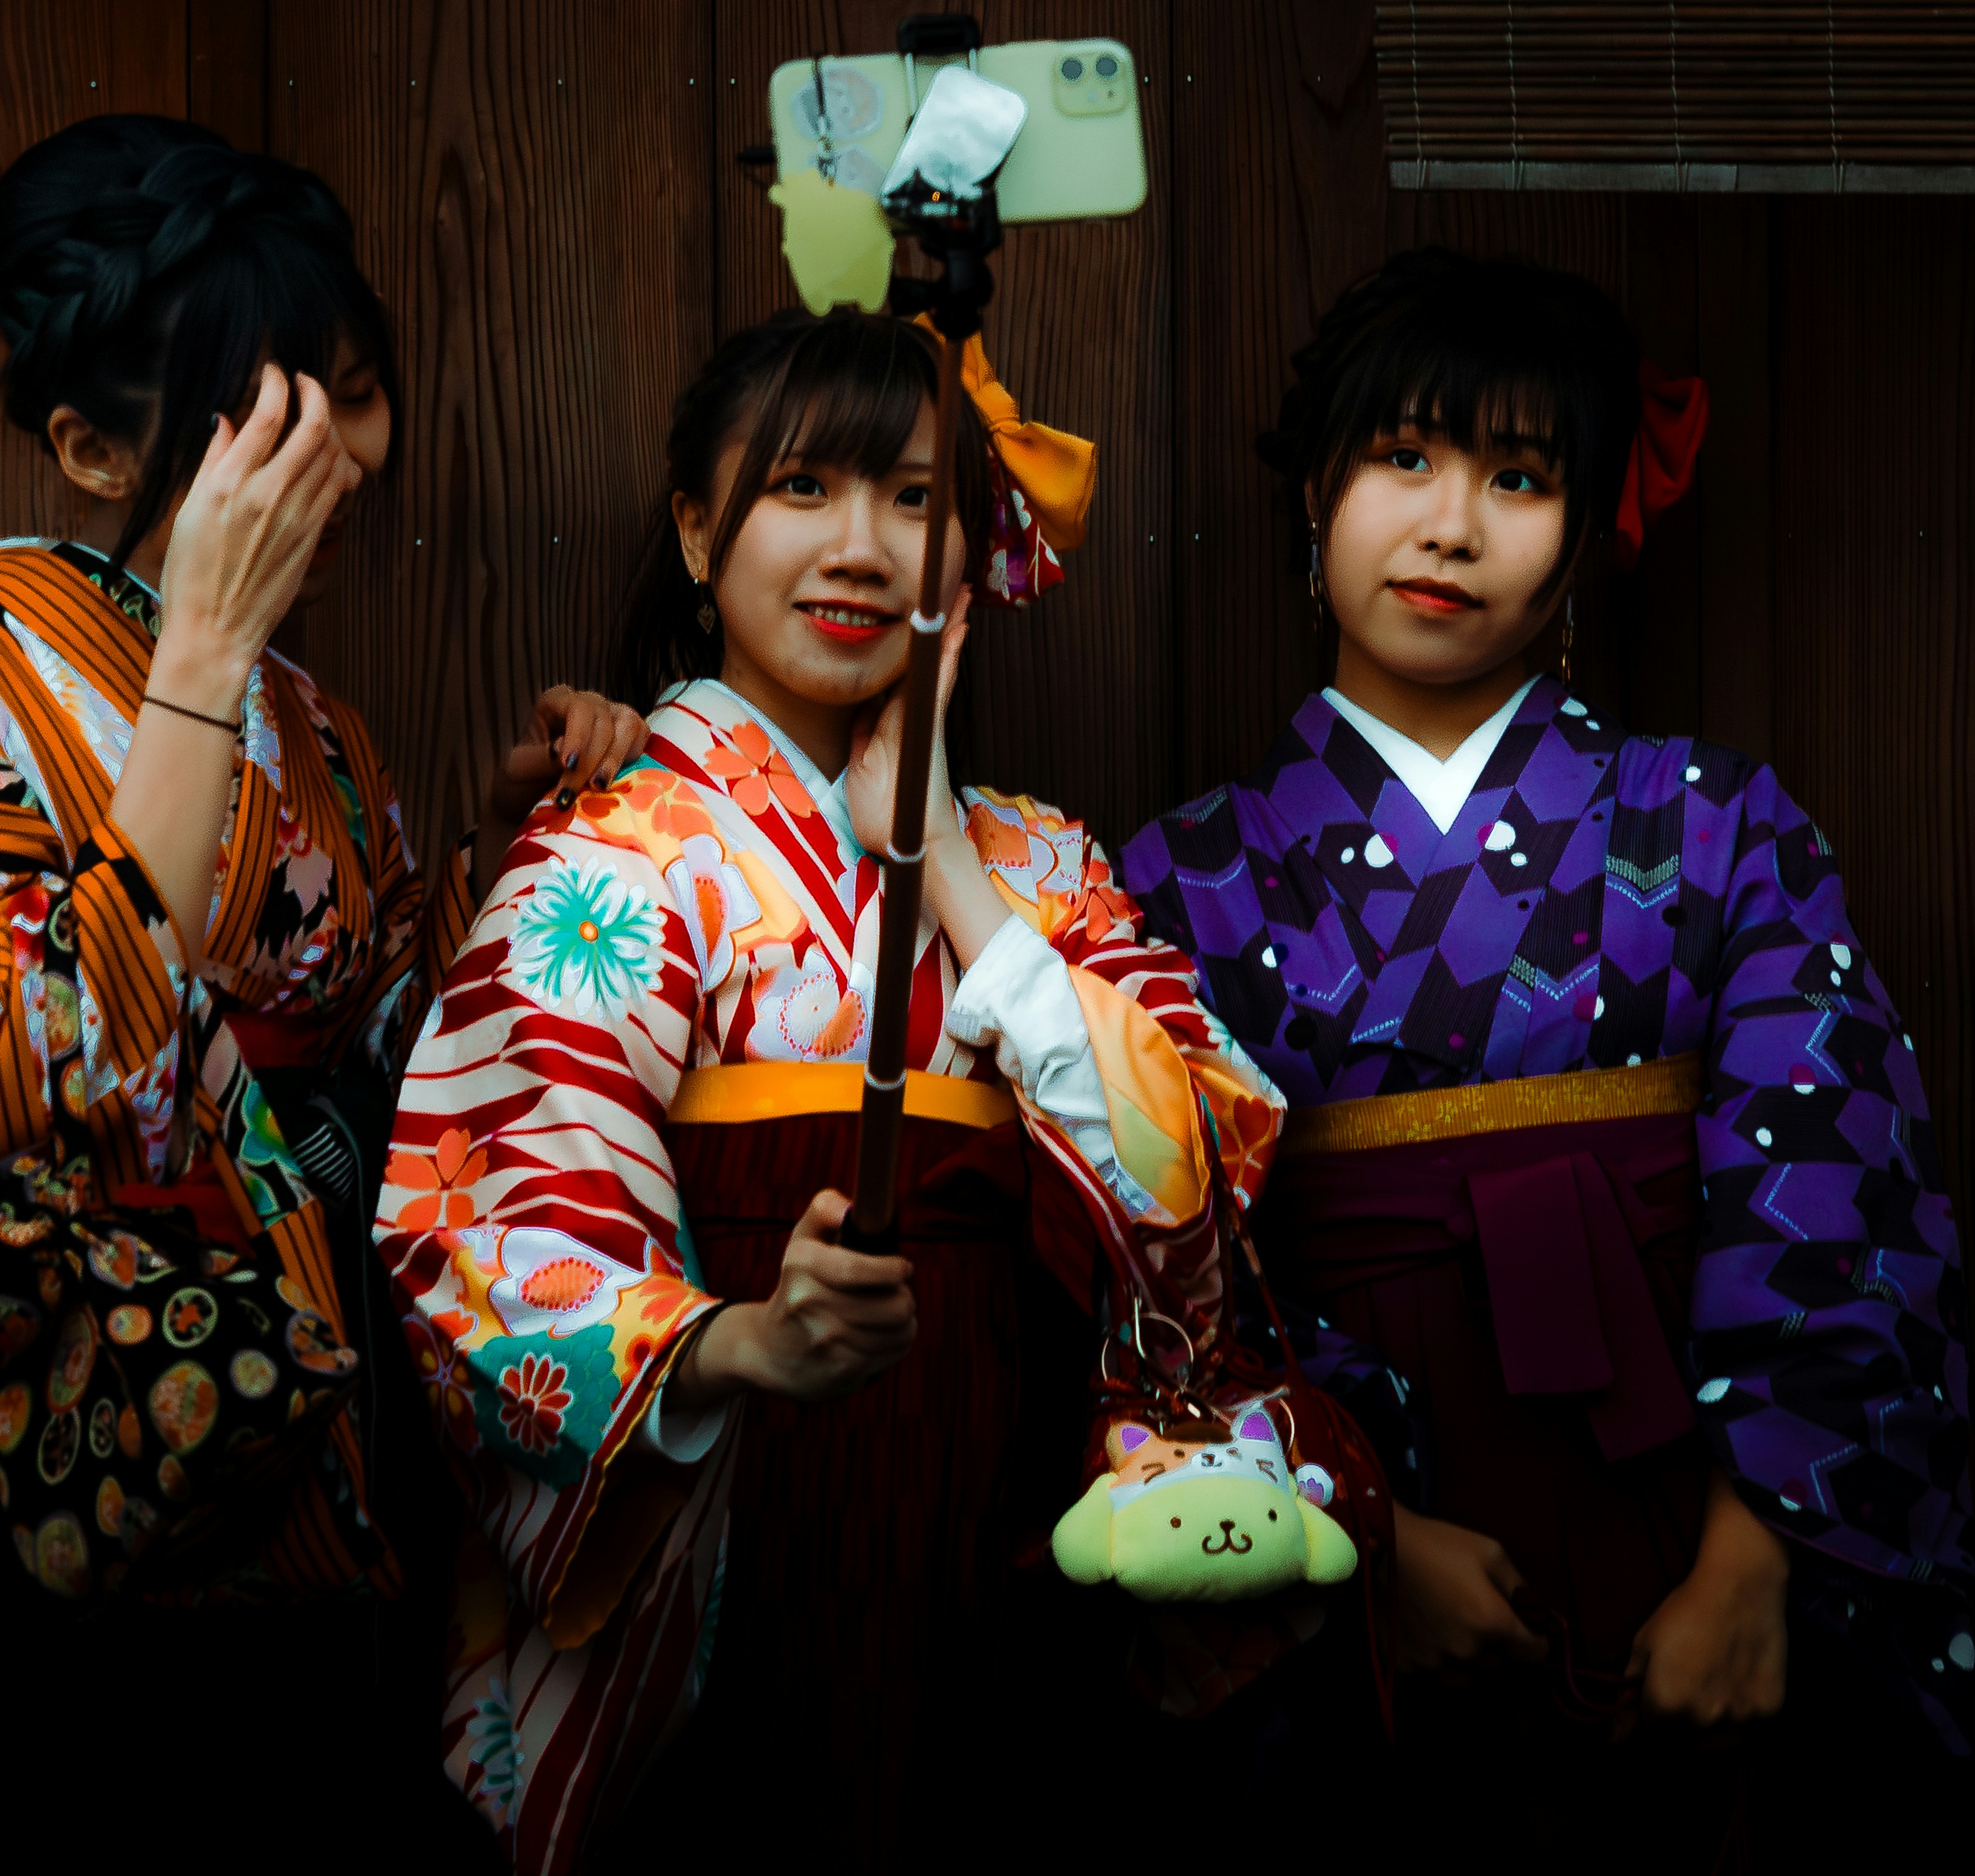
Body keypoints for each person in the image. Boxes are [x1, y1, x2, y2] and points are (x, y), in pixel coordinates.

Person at [0, 114, 643, 1855]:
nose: (336, 454)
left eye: (357, 388)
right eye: (276, 407)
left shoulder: (324, 736)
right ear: (96, 449)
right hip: (46, 1465)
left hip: (300, 1454)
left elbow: (405, 1093)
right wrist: (197, 659)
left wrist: (516, 856)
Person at [374, 308, 1289, 1874]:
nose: (861, 548)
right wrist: (738, 1340)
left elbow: (1197, 1174)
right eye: (802, 487)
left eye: (917, 499)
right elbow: (488, 1208)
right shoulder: (614, 853)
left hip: (1002, 1527)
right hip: (730, 1514)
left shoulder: (1043, 867)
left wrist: (948, 866)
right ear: (691, 526)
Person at [1118, 248, 1975, 1859]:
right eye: (1403, 458)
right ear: (1316, 491)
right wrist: (1357, 1533)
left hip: (1689, 1522)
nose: (1452, 523)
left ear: (1583, 535)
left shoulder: (1716, 826)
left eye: (1517, 476)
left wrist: (1748, 1560)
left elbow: (1842, 1204)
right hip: (1356, 1545)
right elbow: (1166, 1269)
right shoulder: (1177, 879)